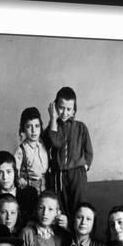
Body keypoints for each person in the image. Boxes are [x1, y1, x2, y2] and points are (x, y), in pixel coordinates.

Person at [45, 86, 93, 218]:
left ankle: (78, 237)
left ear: (74, 111)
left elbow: (89, 151)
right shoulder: (52, 128)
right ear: (55, 107)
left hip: (77, 174)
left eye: (68, 109)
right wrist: (53, 119)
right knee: (61, 210)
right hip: (58, 175)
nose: (64, 112)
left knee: (79, 208)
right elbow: (55, 143)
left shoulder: (81, 127)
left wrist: (85, 166)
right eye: (61, 107)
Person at [0, 150, 38, 225]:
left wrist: (29, 227)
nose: (5, 177)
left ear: (15, 172)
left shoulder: (30, 193)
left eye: (8, 172)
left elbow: (36, 220)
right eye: (0, 172)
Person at [14, 107, 49, 193]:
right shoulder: (21, 150)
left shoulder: (44, 144)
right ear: (23, 129)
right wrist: (19, 179)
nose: (34, 131)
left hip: (46, 185)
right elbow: (14, 170)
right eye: (29, 127)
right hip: (30, 188)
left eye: (37, 126)